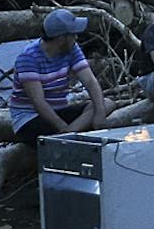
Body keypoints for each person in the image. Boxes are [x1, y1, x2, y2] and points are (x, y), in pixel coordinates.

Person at [10, 9, 109, 143]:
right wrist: (61, 125)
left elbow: (90, 81)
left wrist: (100, 114)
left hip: (59, 110)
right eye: (73, 35)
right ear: (61, 39)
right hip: (31, 118)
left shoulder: (72, 49)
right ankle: (66, 137)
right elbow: (38, 102)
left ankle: (66, 135)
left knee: (106, 103)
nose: (76, 38)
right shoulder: (28, 58)